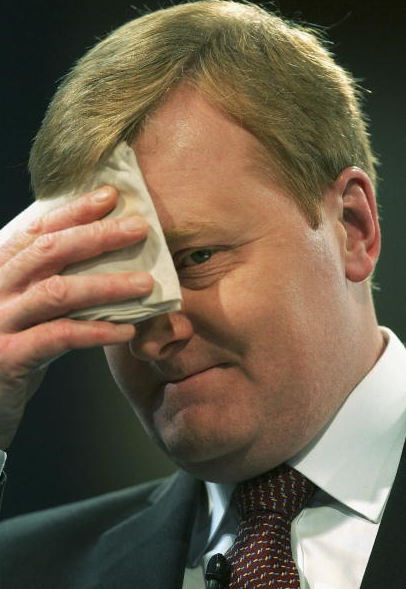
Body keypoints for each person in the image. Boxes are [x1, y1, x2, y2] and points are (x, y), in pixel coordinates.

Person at [0, 1, 405, 587]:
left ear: (352, 227)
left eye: (196, 259)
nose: (157, 333)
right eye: (113, 282)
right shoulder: (27, 569)